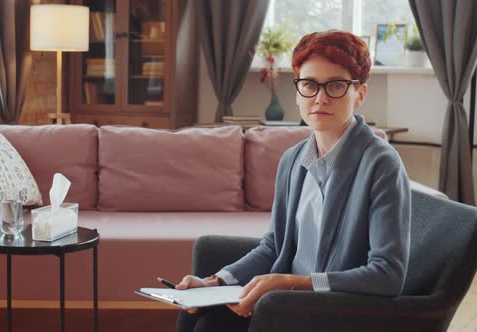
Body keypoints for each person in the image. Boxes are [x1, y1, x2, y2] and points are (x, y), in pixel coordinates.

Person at [176, 30, 411, 332]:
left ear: (360, 94)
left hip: (337, 309)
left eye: (336, 85)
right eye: (309, 85)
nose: (320, 98)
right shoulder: (292, 159)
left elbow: (388, 274)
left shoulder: (381, 164)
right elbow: (274, 247)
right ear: (298, 91)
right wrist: (214, 282)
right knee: (196, 313)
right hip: (284, 300)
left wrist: (295, 284)